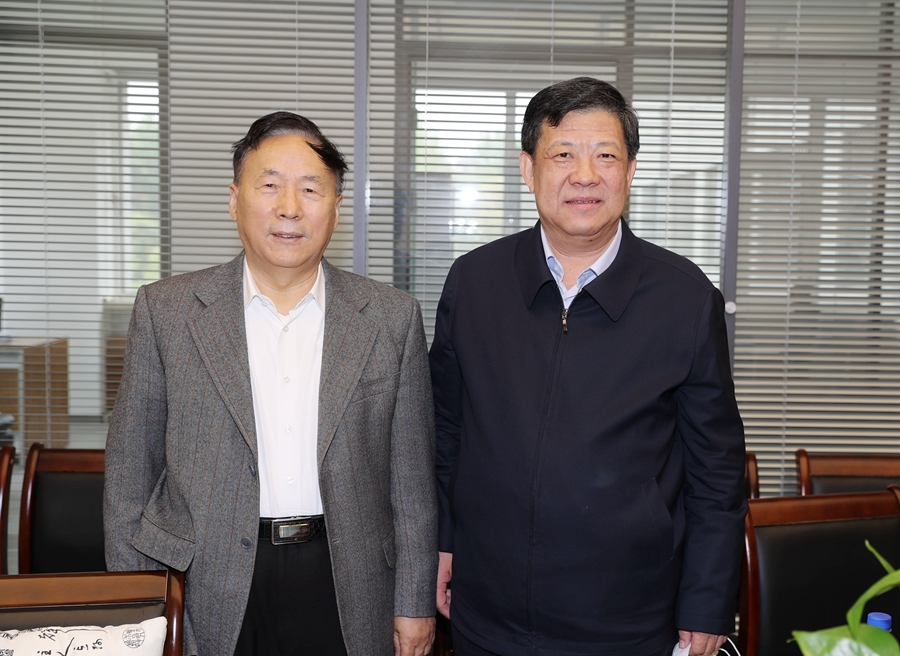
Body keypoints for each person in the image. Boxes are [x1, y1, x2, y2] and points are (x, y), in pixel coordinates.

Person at [430, 77, 746, 656]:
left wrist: (707, 602)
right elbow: (446, 432)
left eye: (605, 156)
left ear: (630, 171)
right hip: (487, 613)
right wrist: (444, 541)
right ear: (528, 169)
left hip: (629, 620)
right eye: (563, 155)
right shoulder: (474, 283)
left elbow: (716, 472)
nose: (584, 175)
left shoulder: (684, 299)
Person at [104, 111, 438, 656]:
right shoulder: (166, 312)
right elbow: (129, 478)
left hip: (348, 582)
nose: (289, 207)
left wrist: (415, 601)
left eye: (310, 188)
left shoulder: (390, 318)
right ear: (234, 199)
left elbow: (412, 482)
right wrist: (133, 610)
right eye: (269, 186)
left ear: (336, 206)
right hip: (203, 580)